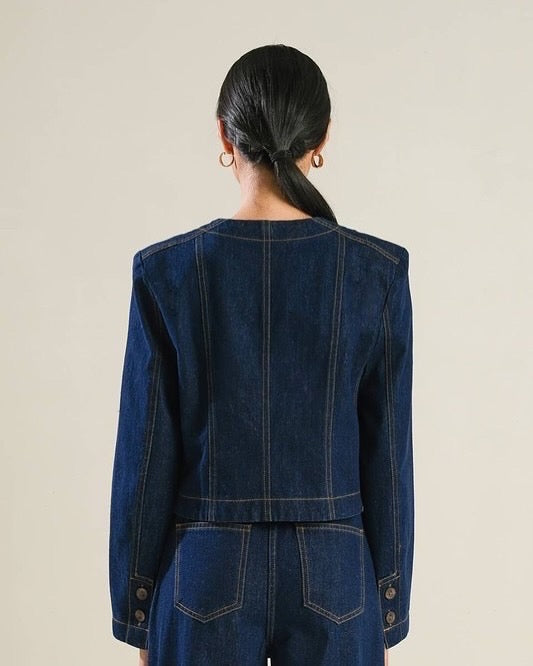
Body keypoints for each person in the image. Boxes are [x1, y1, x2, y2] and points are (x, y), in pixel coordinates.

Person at [109, 44, 414, 666]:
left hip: (203, 571)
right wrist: (387, 607)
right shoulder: (375, 272)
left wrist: (137, 609)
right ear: (321, 138)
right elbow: (388, 455)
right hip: (337, 574)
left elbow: (144, 455)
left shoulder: (166, 272)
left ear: (226, 135)